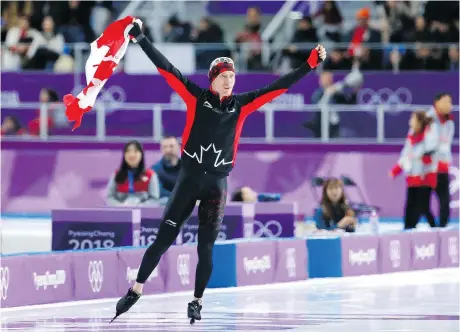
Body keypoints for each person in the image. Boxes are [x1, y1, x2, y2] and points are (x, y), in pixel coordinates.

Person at [112, 21, 326, 325]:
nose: (229, 81)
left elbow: (281, 85)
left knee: (206, 247)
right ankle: (136, 289)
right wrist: (141, 38)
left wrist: (308, 65)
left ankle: (196, 300)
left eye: (232, 76)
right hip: (188, 181)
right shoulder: (194, 97)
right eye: (224, 76)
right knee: (163, 239)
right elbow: (167, 68)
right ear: (212, 80)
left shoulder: (243, 105)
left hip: (216, 185)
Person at [390, 111, 438, 229]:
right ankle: (408, 227)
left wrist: (426, 131)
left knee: (423, 206)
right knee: (410, 205)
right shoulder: (411, 135)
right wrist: (397, 169)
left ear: (419, 122)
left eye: (412, 119)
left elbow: (430, 148)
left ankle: (434, 228)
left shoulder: (429, 133)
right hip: (413, 176)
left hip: (425, 176)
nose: (410, 122)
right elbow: (406, 153)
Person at [427, 93, 455, 227]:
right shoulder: (428, 118)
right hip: (427, 166)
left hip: (442, 165)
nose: (449, 105)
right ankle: (432, 225)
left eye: (450, 102)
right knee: (421, 200)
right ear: (436, 102)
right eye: (446, 101)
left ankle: (442, 227)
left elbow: (446, 143)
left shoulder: (449, 121)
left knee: (444, 199)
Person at [106, 140, 160, 206]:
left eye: (135, 151)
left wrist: (139, 207)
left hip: (143, 214)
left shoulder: (151, 175)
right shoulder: (116, 175)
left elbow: (154, 200)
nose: (131, 155)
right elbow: (109, 198)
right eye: (128, 151)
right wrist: (121, 207)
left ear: (141, 154)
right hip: (121, 213)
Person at [151, 135, 182, 200]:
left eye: (171, 146)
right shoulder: (155, 170)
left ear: (179, 147)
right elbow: (159, 192)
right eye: (164, 147)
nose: (168, 150)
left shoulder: (188, 168)